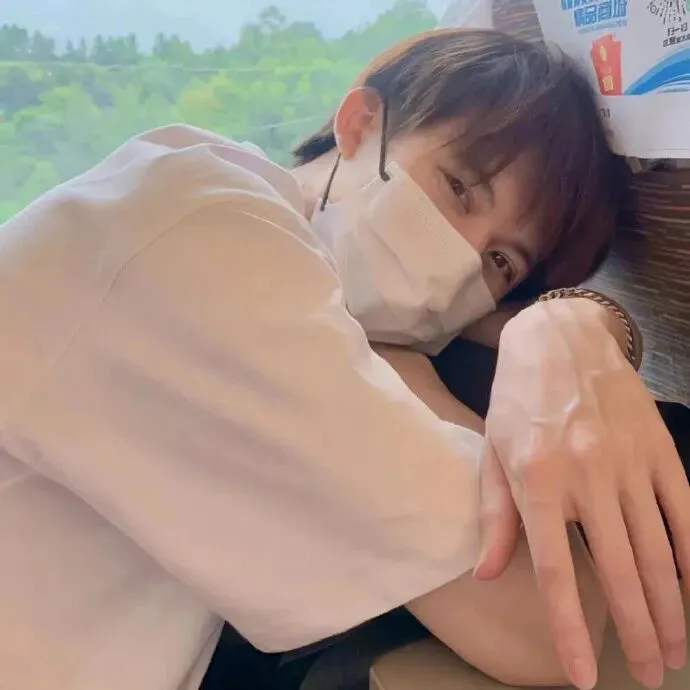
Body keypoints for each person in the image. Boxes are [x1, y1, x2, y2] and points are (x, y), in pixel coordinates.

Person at [0, 28, 686, 690]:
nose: (457, 262)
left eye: (499, 262)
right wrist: (415, 363)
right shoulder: (207, 242)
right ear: (360, 122)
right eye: (459, 189)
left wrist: (576, 321)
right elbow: (546, 627)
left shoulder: (184, 185)